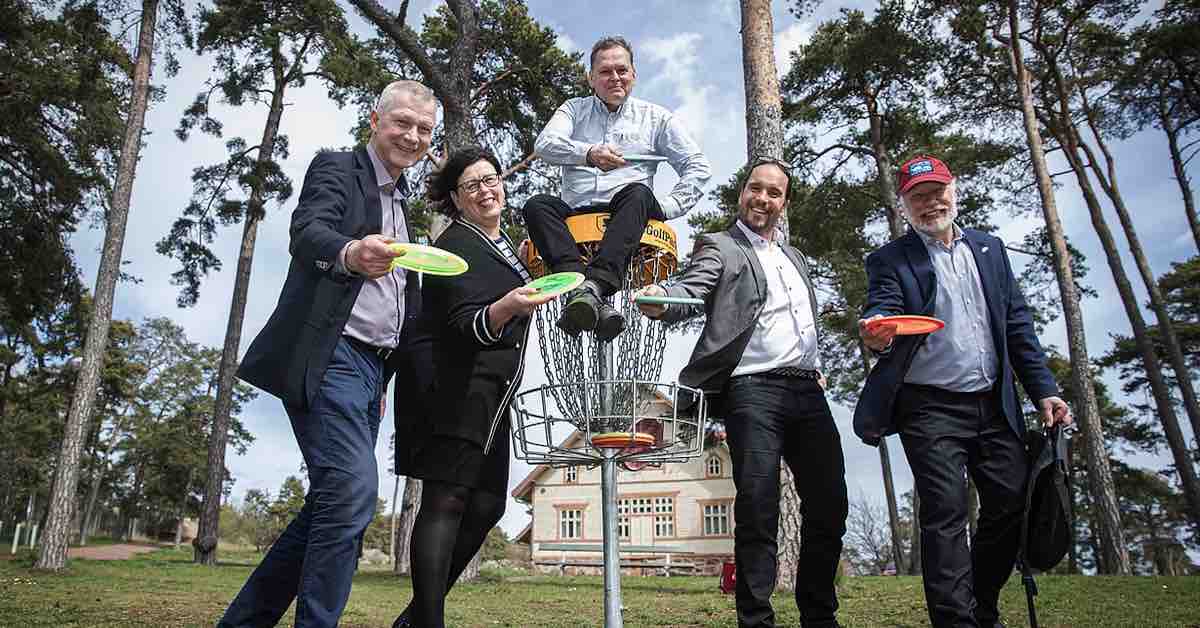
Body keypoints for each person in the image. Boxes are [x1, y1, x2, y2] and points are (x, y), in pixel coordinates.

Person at [219, 80, 437, 628]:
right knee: (353, 491)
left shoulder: (403, 207)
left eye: (424, 130)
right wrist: (349, 251)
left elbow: (395, 302)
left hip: (370, 375)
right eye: (402, 123)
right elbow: (308, 230)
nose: (412, 136)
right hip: (330, 354)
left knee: (333, 502)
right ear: (375, 120)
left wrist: (385, 381)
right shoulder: (339, 168)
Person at [855, 155, 1073, 628]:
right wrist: (876, 331)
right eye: (918, 196)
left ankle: (982, 604)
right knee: (945, 513)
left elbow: (1017, 325)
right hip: (929, 407)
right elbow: (882, 310)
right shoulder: (890, 259)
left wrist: (1045, 391)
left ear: (954, 189)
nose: (931, 203)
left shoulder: (991, 250)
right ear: (905, 204)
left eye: (937, 192)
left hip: (994, 404)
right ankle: (955, 621)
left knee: (1013, 502)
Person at [634, 159, 848, 628]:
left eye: (774, 193)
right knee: (758, 505)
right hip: (753, 390)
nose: (763, 199)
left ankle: (819, 615)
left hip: (807, 391)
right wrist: (660, 298)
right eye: (756, 188)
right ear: (742, 191)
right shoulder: (721, 246)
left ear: (783, 203)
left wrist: (817, 366)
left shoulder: (795, 258)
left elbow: (801, 322)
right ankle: (756, 620)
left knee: (831, 503)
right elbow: (692, 288)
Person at [390, 148, 555, 628]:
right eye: (472, 186)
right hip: (451, 389)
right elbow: (465, 324)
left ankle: (416, 619)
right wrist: (506, 307)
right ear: (456, 201)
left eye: (491, 179)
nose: (487, 190)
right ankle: (428, 620)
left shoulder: (499, 243)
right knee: (448, 498)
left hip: (490, 396)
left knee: (487, 503)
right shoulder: (455, 249)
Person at [523, 35, 711, 342]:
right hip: (576, 212)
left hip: (629, 211)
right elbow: (545, 145)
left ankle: (592, 287)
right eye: (605, 72)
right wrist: (588, 154)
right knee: (537, 205)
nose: (615, 78)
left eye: (621, 70)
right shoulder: (573, 110)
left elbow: (698, 166)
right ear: (591, 78)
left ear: (634, 74)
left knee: (636, 192)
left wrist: (667, 207)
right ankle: (585, 289)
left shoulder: (657, 119)